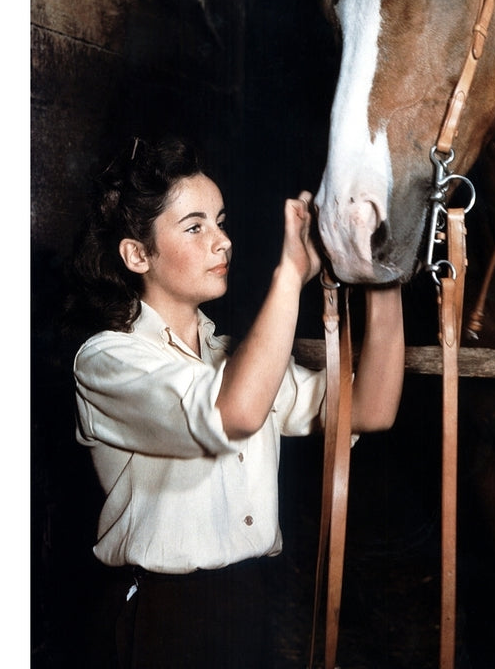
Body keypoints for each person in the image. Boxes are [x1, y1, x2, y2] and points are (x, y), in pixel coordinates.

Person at [67, 135, 404, 668]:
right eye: (195, 226)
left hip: (251, 605)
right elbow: (235, 412)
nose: (222, 241)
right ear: (136, 254)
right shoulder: (108, 361)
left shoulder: (235, 358)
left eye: (221, 222)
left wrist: (381, 268)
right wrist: (290, 275)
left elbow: (370, 407)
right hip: (164, 618)